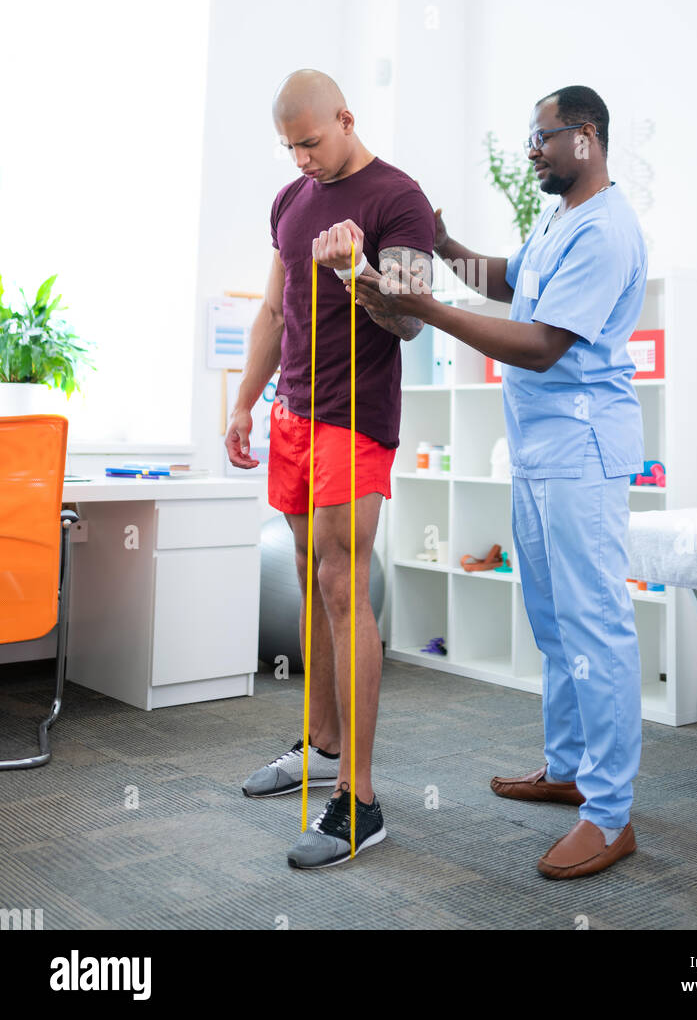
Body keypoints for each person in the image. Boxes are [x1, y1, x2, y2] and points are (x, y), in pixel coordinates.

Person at [352, 85, 647, 878]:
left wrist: (426, 307)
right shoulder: (560, 218)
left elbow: (543, 345)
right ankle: (570, 768)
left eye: (542, 138)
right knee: (555, 623)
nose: (531, 152)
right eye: (529, 139)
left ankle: (610, 813)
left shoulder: (607, 230)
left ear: (586, 137)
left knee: (595, 628)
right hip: (540, 451)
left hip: (581, 452)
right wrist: (446, 244)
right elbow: (512, 281)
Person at [225, 69, 434, 869]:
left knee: (346, 587)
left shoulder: (399, 198)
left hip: (355, 417)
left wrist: (355, 270)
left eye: (310, 143)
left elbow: (410, 319)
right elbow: (272, 310)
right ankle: (318, 745)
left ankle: (361, 799)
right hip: (293, 414)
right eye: (289, 147)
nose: (301, 159)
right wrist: (244, 403)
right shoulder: (289, 200)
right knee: (314, 583)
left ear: (346, 119)